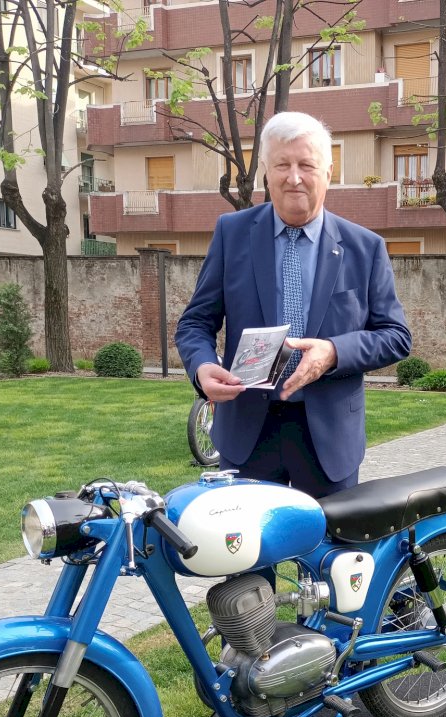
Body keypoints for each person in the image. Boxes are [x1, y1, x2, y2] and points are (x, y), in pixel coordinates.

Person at [175, 111, 412, 500]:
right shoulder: (232, 234)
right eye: (282, 165)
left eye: (306, 165)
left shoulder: (365, 248)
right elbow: (195, 323)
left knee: (327, 542)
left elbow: (395, 336)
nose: (294, 177)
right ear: (266, 173)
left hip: (328, 439)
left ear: (328, 172)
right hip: (247, 434)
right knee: (244, 542)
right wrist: (202, 367)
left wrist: (333, 351)